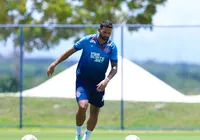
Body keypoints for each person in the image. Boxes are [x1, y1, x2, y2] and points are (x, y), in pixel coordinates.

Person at [47, 20, 118, 140]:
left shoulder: (111, 46)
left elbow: (114, 68)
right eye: (104, 32)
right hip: (83, 80)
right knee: (83, 106)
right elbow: (70, 52)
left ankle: (86, 138)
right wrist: (54, 64)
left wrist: (107, 80)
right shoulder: (87, 40)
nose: (106, 35)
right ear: (99, 30)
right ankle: (78, 135)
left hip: (99, 83)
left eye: (109, 33)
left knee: (94, 111)